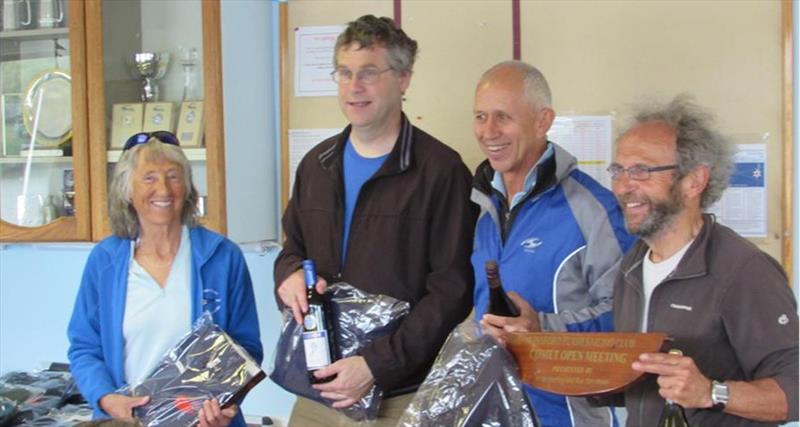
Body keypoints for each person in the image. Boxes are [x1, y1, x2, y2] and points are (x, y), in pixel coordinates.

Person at [274, 14, 476, 427]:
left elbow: (452, 292)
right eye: (345, 73)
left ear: (403, 79)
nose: (354, 86)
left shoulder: (441, 171)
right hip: (319, 392)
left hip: (400, 394)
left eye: (368, 73)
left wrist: (375, 366)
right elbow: (292, 249)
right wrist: (289, 276)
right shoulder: (316, 165)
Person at [610, 95, 798, 426]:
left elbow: (794, 392)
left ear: (694, 180)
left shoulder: (743, 271)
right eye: (619, 170)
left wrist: (711, 392)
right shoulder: (632, 265)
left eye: (641, 170)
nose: (624, 186)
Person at [470, 60, 636, 427]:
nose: (489, 131)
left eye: (503, 117)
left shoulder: (592, 208)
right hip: (497, 412)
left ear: (543, 120)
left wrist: (542, 329)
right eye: (480, 117)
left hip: (569, 416)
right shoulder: (484, 207)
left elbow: (627, 319)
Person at [67, 131, 263, 427]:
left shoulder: (223, 256)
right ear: (127, 191)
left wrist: (224, 404)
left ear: (186, 188)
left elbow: (246, 348)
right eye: (149, 178)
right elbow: (84, 347)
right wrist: (106, 398)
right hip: (126, 421)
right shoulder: (104, 261)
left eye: (173, 176)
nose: (163, 189)